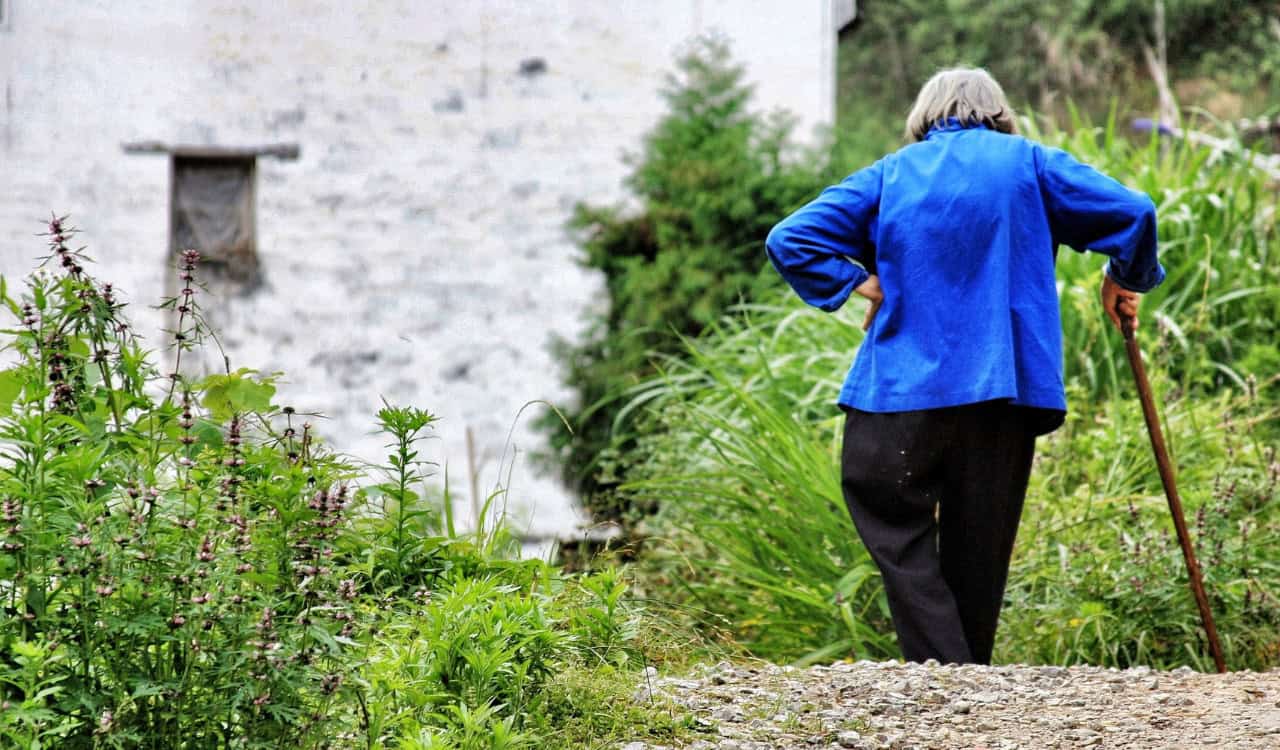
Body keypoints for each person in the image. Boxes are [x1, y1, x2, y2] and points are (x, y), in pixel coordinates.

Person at [764, 67, 1165, 665]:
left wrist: (858, 282)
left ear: (924, 118)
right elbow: (1135, 211)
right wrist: (1122, 278)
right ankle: (965, 685)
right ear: (1000, 115)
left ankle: (946, 682)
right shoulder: (1030, 163)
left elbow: (790, 238)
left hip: (898, 399)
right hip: (1003, 397)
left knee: (888, 512)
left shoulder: (890, 174)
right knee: (980, 548)